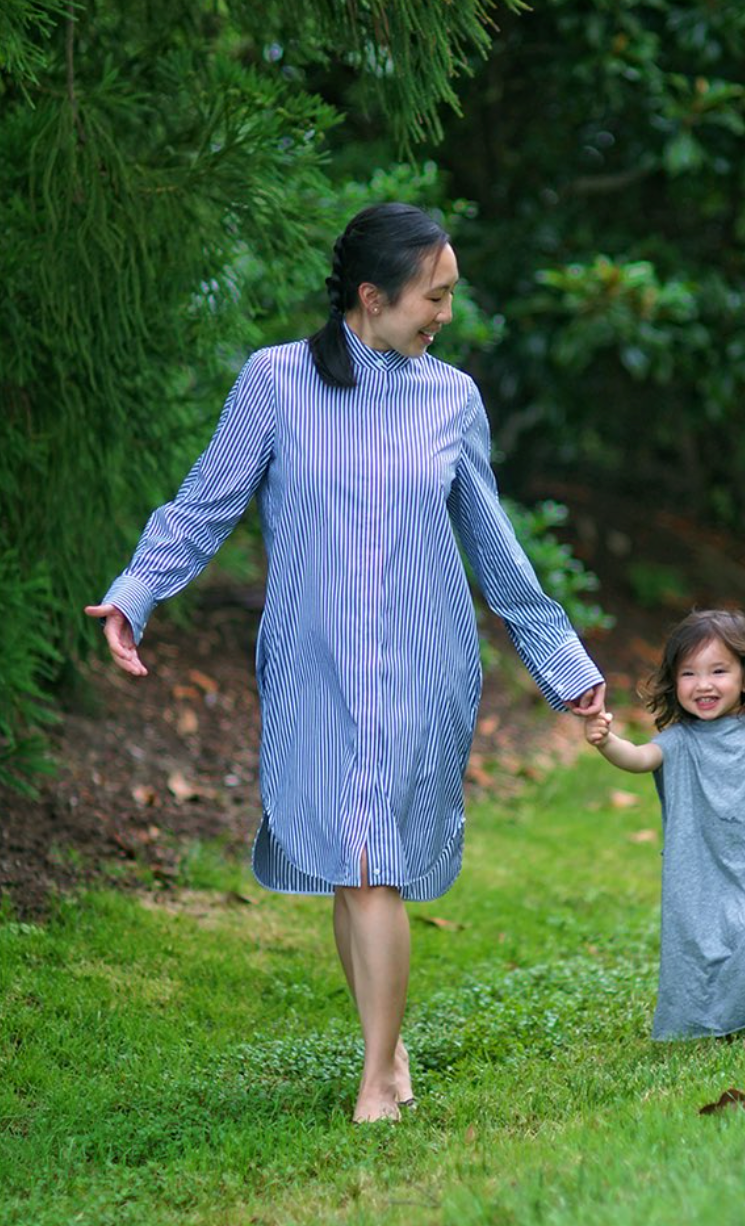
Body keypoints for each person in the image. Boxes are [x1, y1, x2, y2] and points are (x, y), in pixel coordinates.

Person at [85, 202, 605, 1122]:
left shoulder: (452, 399)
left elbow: (495, 549)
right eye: (431, 297)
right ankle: (388, 1043)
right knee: (348, 857)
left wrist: (563, 662)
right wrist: (136, 593)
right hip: (311, 664)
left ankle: (376, 1082)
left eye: (449, 296)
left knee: (372, 858)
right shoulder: (275, 381)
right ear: (372, 296)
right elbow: (205, 505)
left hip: (421, 663)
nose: (444, 314)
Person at [584, 608, 745, 1040]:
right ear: (674, 682)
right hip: (710, 871)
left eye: (718, 670)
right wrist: (607, 741)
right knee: (725, 940)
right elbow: (639, 759)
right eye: (689, 674)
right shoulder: (680, 742)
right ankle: (740, 1013)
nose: (703, 685)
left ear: (744, 677)